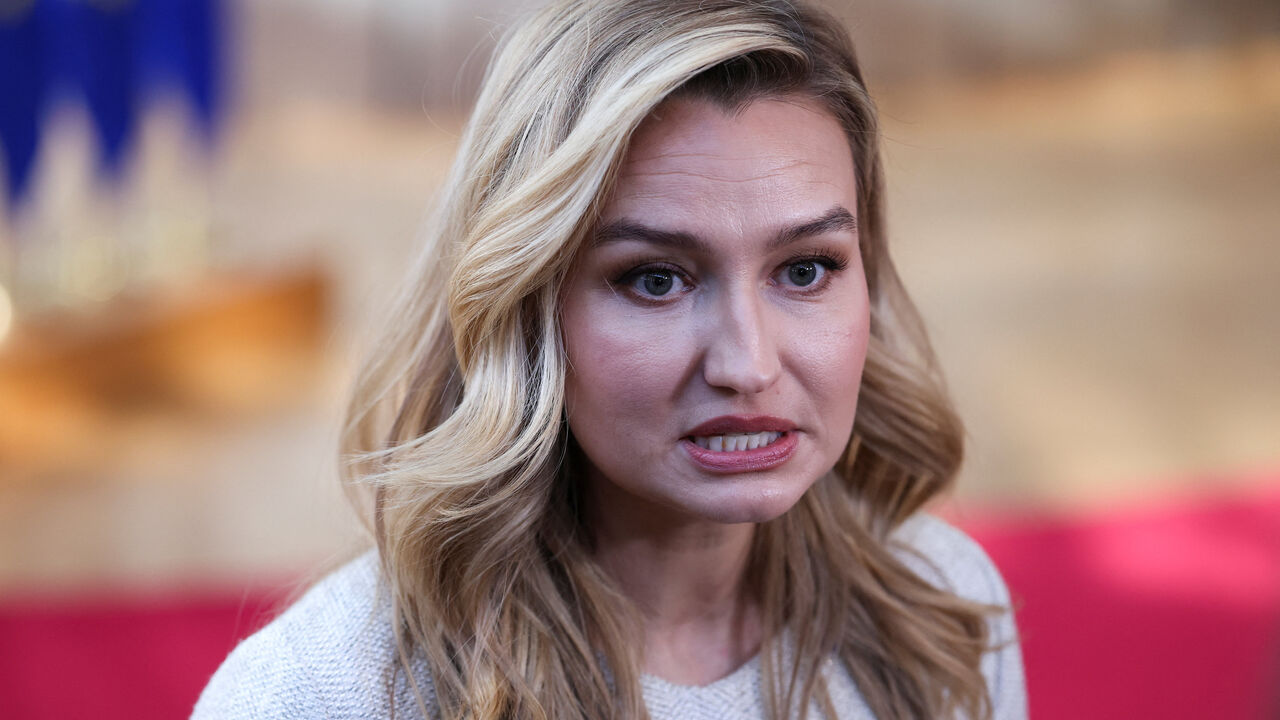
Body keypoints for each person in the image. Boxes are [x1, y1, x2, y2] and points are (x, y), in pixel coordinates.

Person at [192, 0, 1026, 718]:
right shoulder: (320, 695)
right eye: (655, 279)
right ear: (527, 301)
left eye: (805, 269)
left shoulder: (941, 612)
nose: (747, 364)